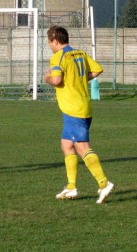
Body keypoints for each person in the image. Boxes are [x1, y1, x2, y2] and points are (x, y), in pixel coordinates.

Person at [43, 26, 114, 204]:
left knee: (82, 147)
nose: (50, 46)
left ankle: (104, 183)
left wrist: (47, 78)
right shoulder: (79, 53)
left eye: (49, 42)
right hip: (82, 106)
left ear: (55, 41)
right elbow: (97, 70)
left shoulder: (57, 57)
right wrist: (78, 79)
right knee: (67, 145)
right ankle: (71, 186)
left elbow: (57, 80)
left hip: (74, 108)